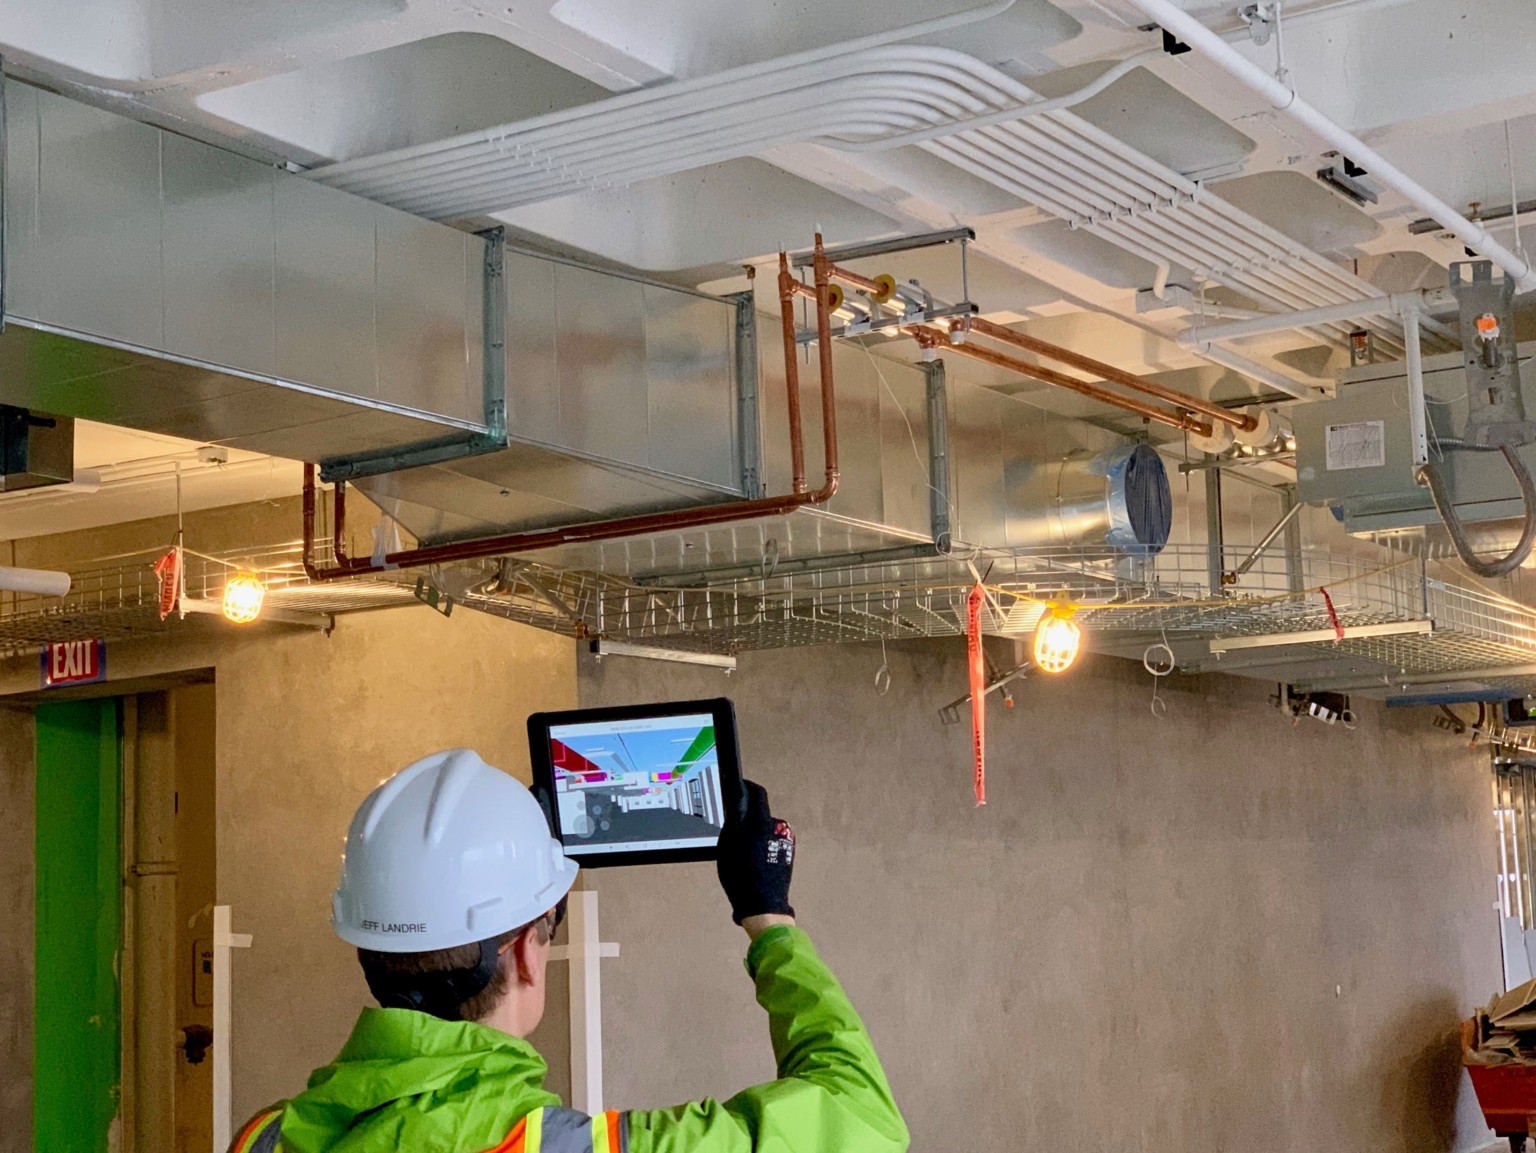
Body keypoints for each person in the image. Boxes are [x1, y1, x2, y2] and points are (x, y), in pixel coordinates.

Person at [229, 748, 909, 1153]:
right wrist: (770, 918)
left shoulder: (263, 1137)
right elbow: (861, 1118)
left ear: (368, 949)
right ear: (528, 953)